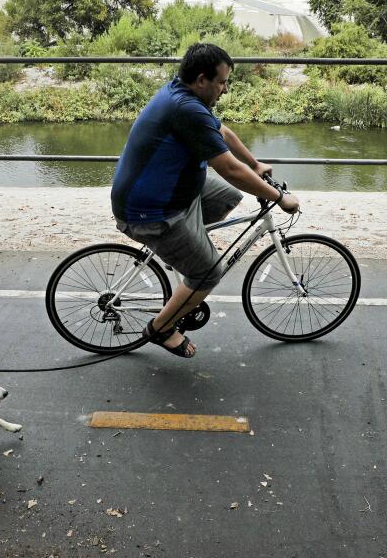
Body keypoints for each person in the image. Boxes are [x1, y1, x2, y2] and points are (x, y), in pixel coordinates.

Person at [111, 43, 301, 358]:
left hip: (170, 192)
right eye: (222, 82)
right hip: (149, 210)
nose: (225, 88)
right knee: (209, 272)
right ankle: (161, 329)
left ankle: (183, 253)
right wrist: (279, 197)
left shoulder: (185, 94)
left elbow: (221, 132)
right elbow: (228, 168)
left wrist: (254, 164)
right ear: (202, 79)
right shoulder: (185, 108)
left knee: (229, 196)